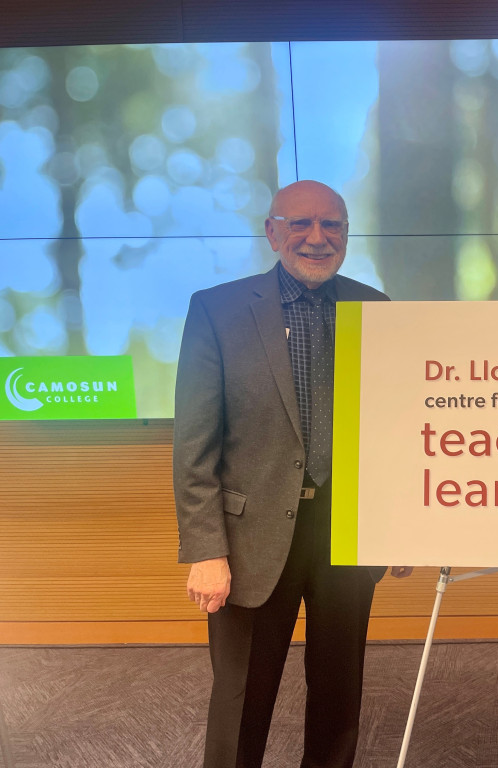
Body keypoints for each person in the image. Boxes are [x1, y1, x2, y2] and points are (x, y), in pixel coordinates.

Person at [174, 179, 412, 768]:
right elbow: (194, 442)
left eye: (332, 225)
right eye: (301, 223)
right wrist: (206, 549)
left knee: (339, 690)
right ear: (272, 231)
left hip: (347, 531)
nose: (317, 237)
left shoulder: (374, 308)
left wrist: (402, 524)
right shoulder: (218, 309)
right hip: (249, 538)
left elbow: (394, 427)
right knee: (241, 698)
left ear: (347, 235)